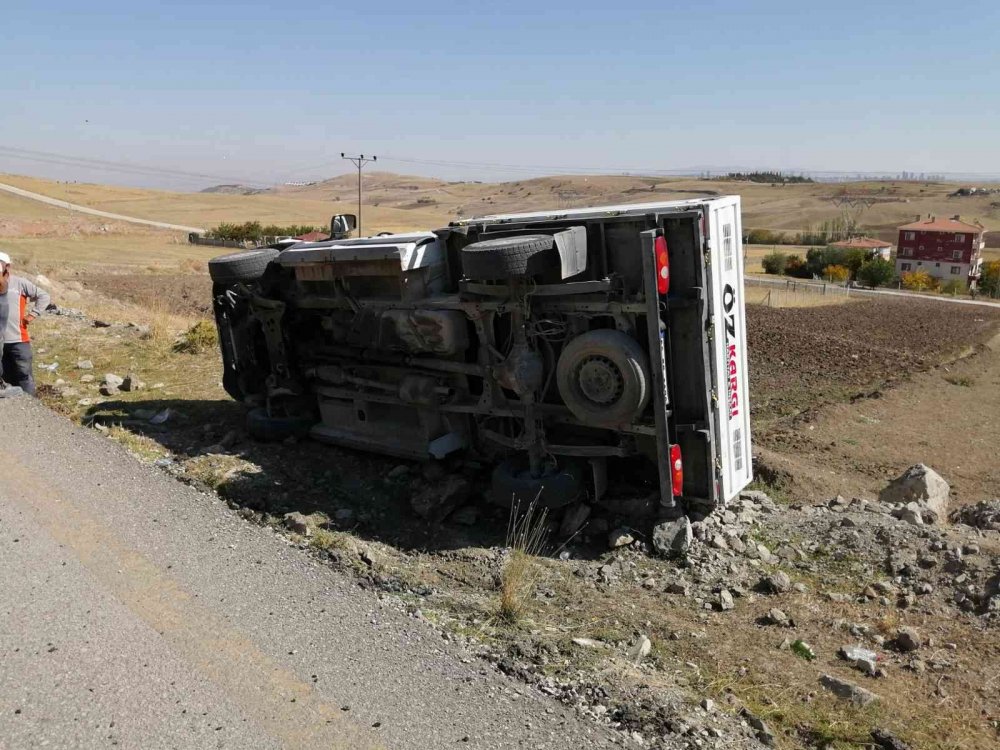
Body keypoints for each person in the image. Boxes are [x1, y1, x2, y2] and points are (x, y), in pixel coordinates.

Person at [0, 251, 51, 396]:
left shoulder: (19, 283)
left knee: (24, 375)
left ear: (7, 266)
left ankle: (32, 407)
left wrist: (32, 314)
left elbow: (44, 296)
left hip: (18, 339)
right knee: (5, 378)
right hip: (0, 342)